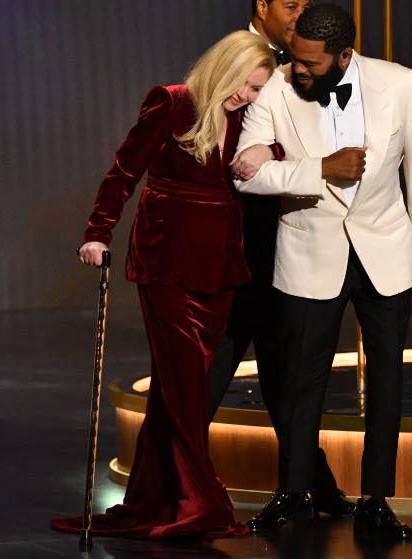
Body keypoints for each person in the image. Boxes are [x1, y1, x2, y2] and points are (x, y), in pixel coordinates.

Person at [51, 31, 276, 540]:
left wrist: (268, 150)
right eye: (246, 83)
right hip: (166, 256)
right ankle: (200, 502)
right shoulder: (174, 102)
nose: (249, 95)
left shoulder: (255, 120)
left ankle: (157, 499)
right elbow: (123, 171)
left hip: (220, 262)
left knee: (185, 386)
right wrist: (97, 231)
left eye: (260, 88)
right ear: (226, 66)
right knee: (182, 383)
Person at [230, 3, 412, 541]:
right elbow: (246, 175)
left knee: (387, 380)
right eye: (294, 59)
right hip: (308, 252)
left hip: (385, 255)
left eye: (310, 64)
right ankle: (293, 494)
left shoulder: (398, 83)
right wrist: (320, 168)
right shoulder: (276, 88)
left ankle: (375, 500)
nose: (298, 71)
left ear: (344, 54)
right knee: (301, 382)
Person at [208, 0, 356, 522]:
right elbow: (218, 148)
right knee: (211, 371)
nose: (299, 14)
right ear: (262, 6)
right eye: (290, 4)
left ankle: (312, 487)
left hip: (288, 244)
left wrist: (280, 157)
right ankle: (172, 486)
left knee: (286, 375)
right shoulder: (236, 60)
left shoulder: (314, 65)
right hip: (231, 248)